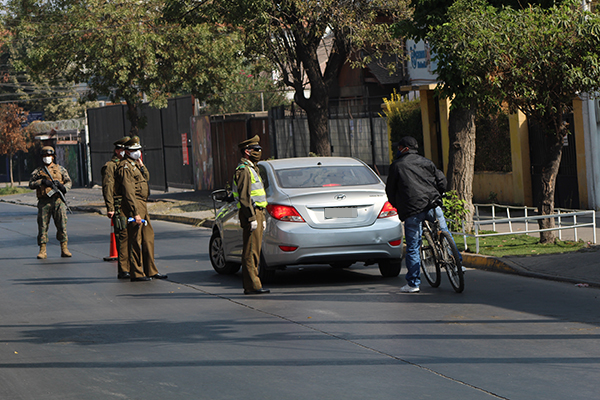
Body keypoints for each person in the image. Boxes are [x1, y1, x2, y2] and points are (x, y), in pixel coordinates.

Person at [386, 136, 450, 293]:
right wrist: (438, 194)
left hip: (412, 210)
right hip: (432, 204)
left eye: (399, 147)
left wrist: (399, 205)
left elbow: (390, 191)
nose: (397, 150)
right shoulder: (427, 162)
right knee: (445, 232)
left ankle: (413, 283)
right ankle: (456, 262)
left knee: (414, 247)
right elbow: (442, 180)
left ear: (404, 149)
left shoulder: (397, 166)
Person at [115, 136, 168, 282]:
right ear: (127, 151)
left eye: (138, 150)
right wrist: (135, 213)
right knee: (135, 239)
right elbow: (128, 192)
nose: (137, 152)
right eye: (134, 150)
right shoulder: (125, 167)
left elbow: (146, 178)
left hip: (143, 204)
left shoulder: (135, 164)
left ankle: (151, 270)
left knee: (148, 238)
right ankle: (137, 273)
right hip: (134, 205)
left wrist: (142, 165)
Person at [233, 135, 270, 295]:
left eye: (259, 149)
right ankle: (252, 285)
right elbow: (244, 197)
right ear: (247, 152)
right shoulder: (243, 170)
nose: (259, 152)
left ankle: (253, 283)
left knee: (255, 250)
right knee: (251, 251)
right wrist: (252, 218)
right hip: (251, 213)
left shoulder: (252, 169)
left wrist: (262, 217)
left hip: (258, 212)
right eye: (256, 150)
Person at [29, 146, 73, 259]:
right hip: (44, 202)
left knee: (62, 225)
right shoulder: (39, 171)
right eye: (44, 156)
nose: (47, 158)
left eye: (48, 156)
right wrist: (42, 181)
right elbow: (31, 184)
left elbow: (69, 182)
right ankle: (42, 250)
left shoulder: (60, 169)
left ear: (53, 157)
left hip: (58, 201)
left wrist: (63, 187)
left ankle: (64, 248)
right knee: (43, 226)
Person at [101, 136, 130, 279]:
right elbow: (108, 187)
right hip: (119, 204)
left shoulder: (130, 164)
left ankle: (135, 266)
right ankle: (124, 269)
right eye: (125, 149)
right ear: (118, 150)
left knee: (134, 237)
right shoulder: (111, 166)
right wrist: (110, 206)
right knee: (122, 236)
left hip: (132, 204)